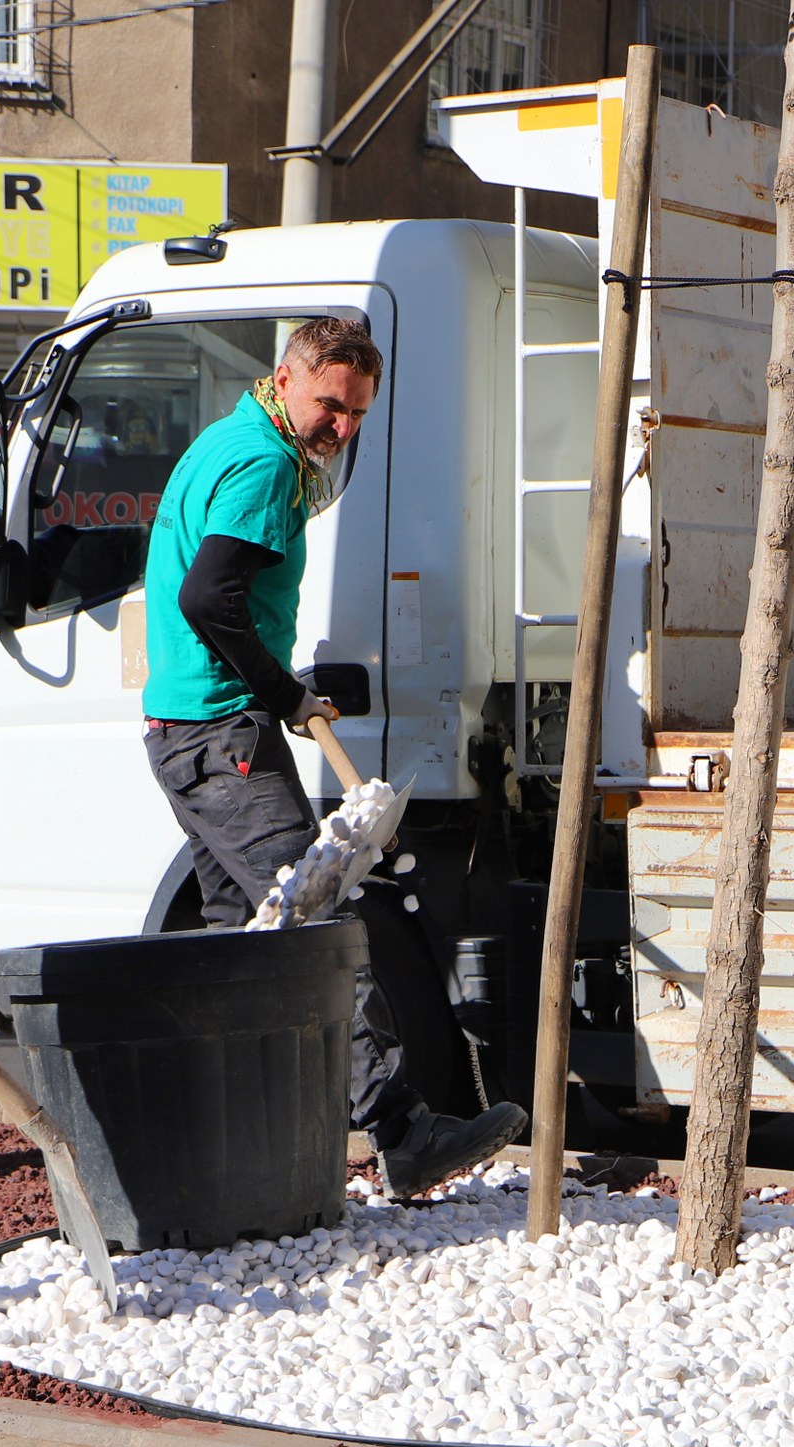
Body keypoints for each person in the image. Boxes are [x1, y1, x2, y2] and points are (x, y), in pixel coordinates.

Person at [140, 315, 526, 1197]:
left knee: (245, 946)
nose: (340, 428)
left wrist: (280, 686)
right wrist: (280, 694)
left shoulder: (230, 437)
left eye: (356, 414)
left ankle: (232, 1146)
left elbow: (207, 592)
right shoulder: (266, 464)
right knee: (315, 931)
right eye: (329, 405)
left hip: (192, 733)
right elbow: (209, 597)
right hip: (225, 732)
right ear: (287, 378)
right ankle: (404, 1132)